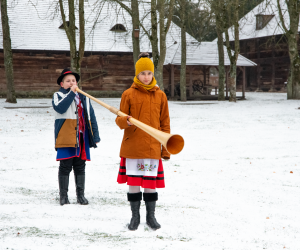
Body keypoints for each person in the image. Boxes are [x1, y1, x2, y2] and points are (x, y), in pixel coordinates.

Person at [115, 53, 170, 230]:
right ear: (137, 75)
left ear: (153, 74)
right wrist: (126, 120)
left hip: (152, 147)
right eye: (142, 73)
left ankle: (151, 217)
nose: (146, 77)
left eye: (149, 73)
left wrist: (166, 149)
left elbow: (165, 124)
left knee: (150, 184)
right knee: (133, 183)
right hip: (133, 147)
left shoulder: (161, 96)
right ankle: (135, 217)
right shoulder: (128, 94)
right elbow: (119, 120)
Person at [52, 68, 100, 206]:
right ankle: (63, 196)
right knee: (65, 165)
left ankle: (81, 195)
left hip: (81, 136)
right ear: (62, 84)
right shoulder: (58, 95)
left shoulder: (84, 97)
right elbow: (61, 108)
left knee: (80, 166)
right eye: (68, 81)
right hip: (66, 135)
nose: (71, 83)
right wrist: (72, 93)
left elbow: (91, 117)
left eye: (73, 80)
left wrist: (95, 135)